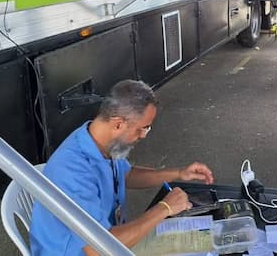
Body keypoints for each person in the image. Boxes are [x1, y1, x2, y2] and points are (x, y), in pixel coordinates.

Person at [30, 80, 214, 255]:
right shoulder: (72, 171)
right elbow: (98, 248)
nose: (143, 136)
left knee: (204, 239)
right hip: (92, 250)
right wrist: (165, 207)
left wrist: (179, 173)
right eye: (143, 128)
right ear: (118, 124)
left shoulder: (100, 141)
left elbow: (127, 175)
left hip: (111, 241)